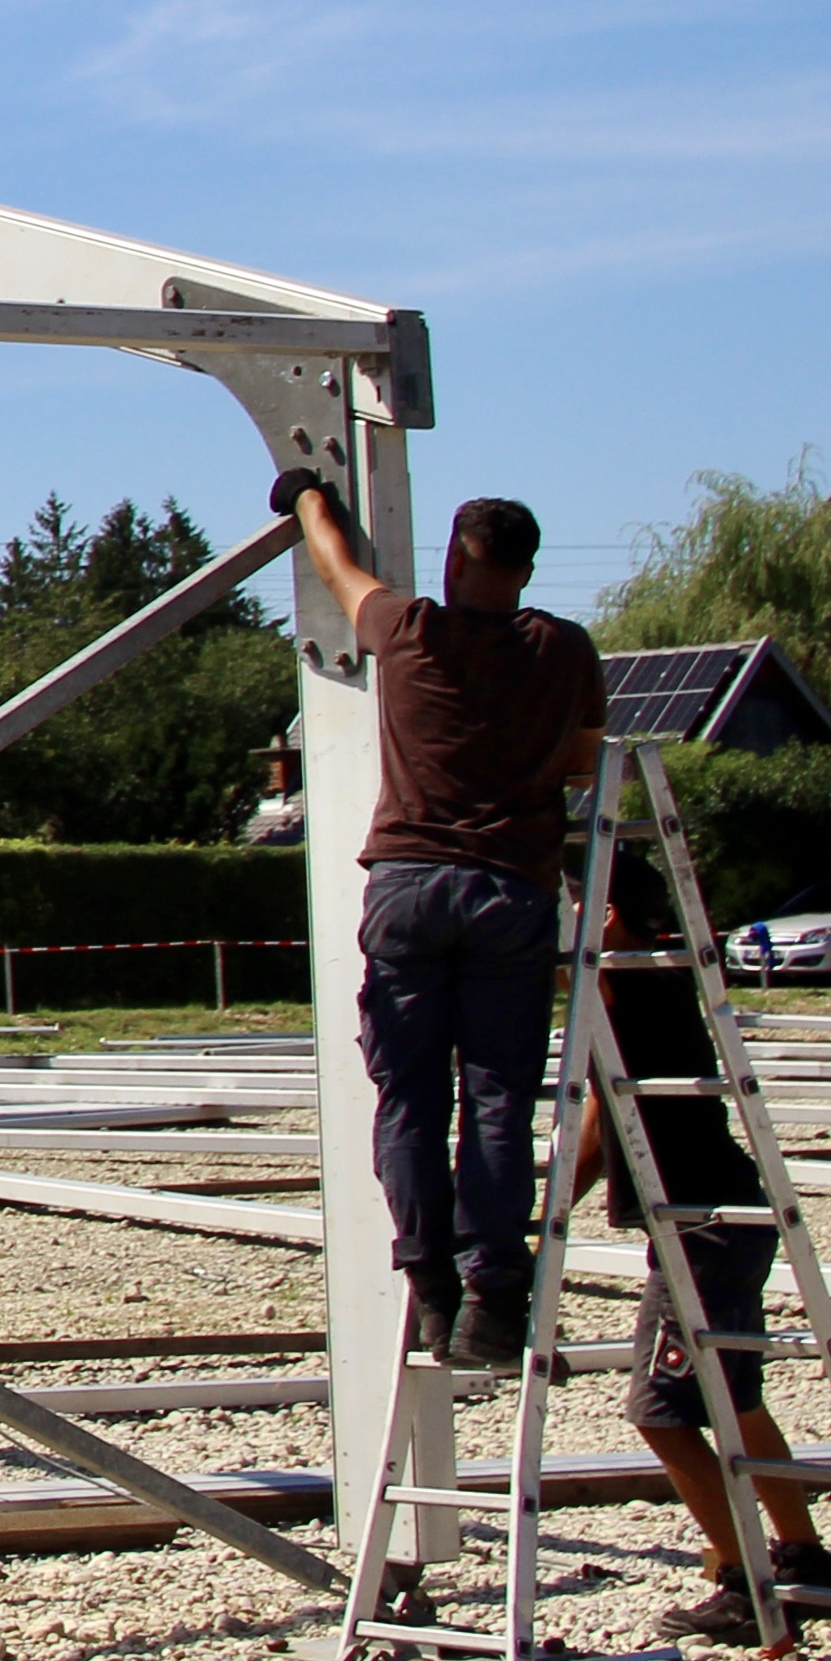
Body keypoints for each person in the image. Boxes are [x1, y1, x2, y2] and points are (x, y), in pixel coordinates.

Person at [277, 472, 607, 1373]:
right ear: (527, 570)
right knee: (497, 1098)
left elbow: (340, 568)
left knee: (410, 1101)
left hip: (411, 887)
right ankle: (495, 1295)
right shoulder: (564, 651)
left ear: (458, 561)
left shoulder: (410, 629)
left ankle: (430, 1288)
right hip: (511, 890)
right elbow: (585, 759)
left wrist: (307, 497)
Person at [567, 855, 831, 1641]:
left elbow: (550, 977)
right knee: (734, 1395)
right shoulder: (646, 980)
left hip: (703, 1226)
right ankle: (802, 1557)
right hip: (721, 1217)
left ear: (609, 914)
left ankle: (740, 1577)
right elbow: (602, 1112)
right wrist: (550, 1203)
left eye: (575, 902)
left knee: (660, 1410)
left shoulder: (622, 977)